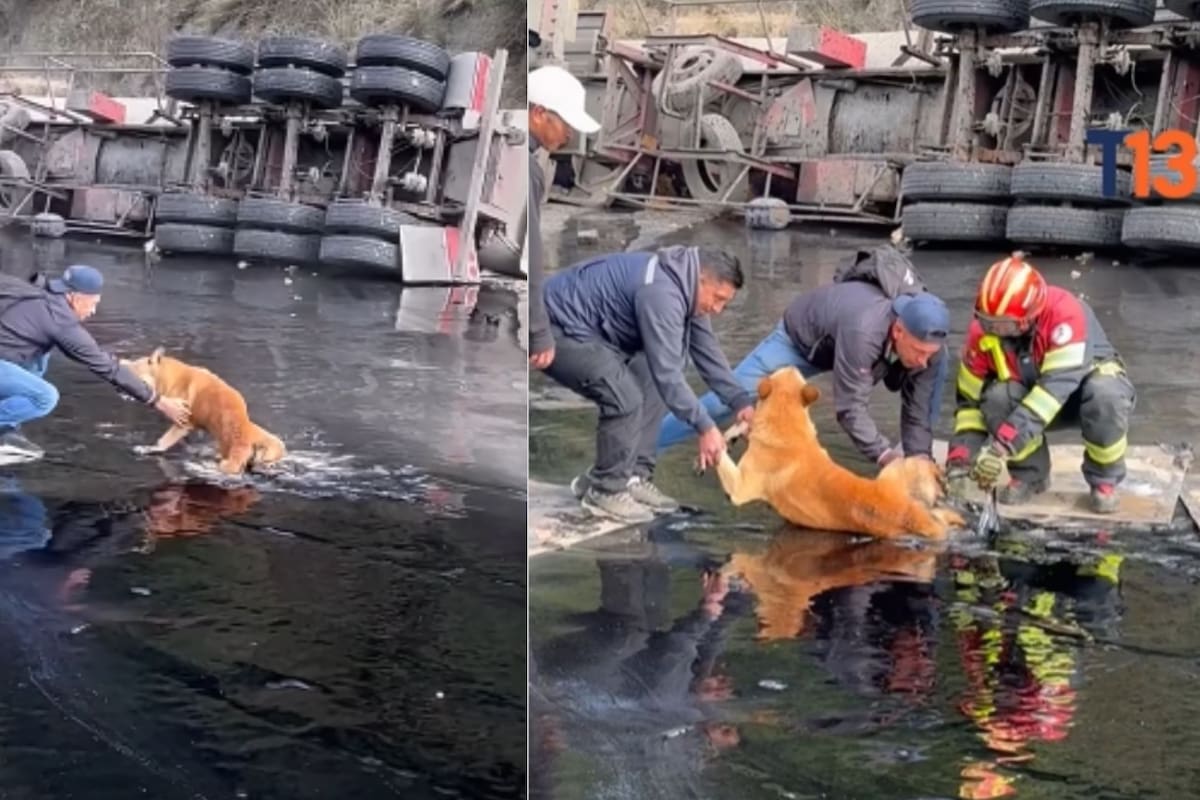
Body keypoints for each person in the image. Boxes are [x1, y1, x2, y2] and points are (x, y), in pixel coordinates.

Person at [657, 244, 951, 467]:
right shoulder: (863, 331)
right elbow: (850, 407)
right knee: (729, 397)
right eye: (919, 352)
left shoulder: (931, 347)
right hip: (800, 339)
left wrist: (917, 462)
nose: (924, 361)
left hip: (864, 349)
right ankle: (643, 448)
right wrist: (885, 455)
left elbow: (918, 411)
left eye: (930, 355)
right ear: (899, 331)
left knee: (919, 426)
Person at [541, 245, 755, 523]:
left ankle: (631, 476)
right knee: (625, 397)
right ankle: (605, 490)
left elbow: (707, 352)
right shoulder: (662, 294)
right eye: (717, 298)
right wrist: (705, 427)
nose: (717, 309)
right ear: (701, 278)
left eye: (724, 303)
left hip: (597, 335)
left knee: (655, 371)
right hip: (555, 329)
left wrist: (740, 402)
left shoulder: (685, 287)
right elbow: (669, 376)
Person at [945, 252, 1136, 513]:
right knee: (997, 397)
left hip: (1079, 398)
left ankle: (1104, 479)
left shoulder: (1066, 315)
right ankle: (1029, 475)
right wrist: (959, 461)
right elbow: (969, 403)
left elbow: (1051, 393)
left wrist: (999, 447)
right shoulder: (982, 332)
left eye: (1004, 326)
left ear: (1029, 317)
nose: (993, 332)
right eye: (988, 322)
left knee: (1106, 395)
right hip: (1032, 401)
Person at [0, 264, 190, 459]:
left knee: (41, 355)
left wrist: (117, 364)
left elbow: (96, 356)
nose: (93, 311)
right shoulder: (61, 323)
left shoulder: (37, 293)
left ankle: (5, 429)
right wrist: (158, 401)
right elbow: (104, 366)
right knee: (44, 398)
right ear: (75, 297)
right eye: (93, 303)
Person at [527, 64, 601, 372]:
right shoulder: (528, 168)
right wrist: (539, 331)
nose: (570, 133)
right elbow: (530, 250)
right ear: (539, 113)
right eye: (565, 123)